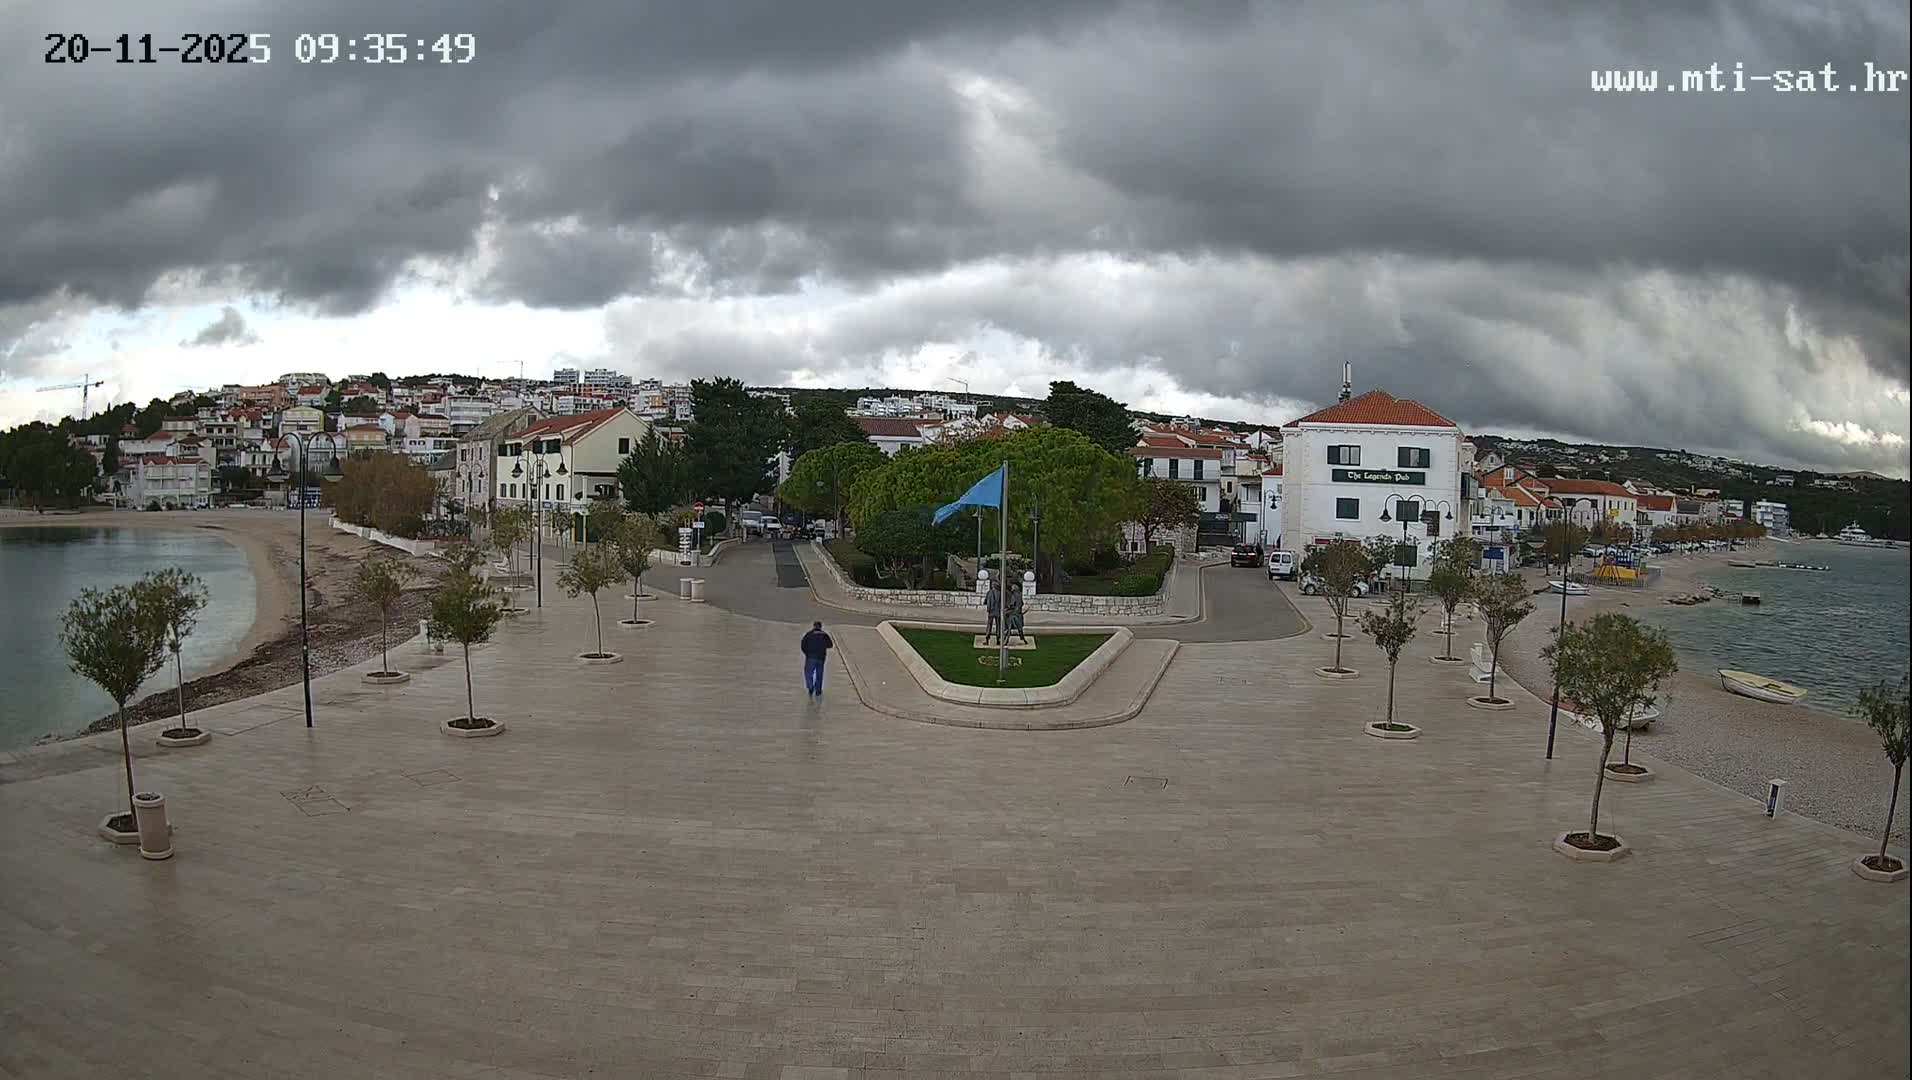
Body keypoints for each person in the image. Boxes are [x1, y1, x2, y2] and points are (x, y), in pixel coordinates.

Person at [800, 620, 833, 697]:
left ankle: (810, 687)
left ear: (814, 626)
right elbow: (830, 645)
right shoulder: (825, 635)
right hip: (821, 658)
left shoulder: (809, 634)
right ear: (820, 627)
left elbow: (803, 645)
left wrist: (807, 654)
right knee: (819, 674)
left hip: (810, 657)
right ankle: (818, 691)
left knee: (808, 673)